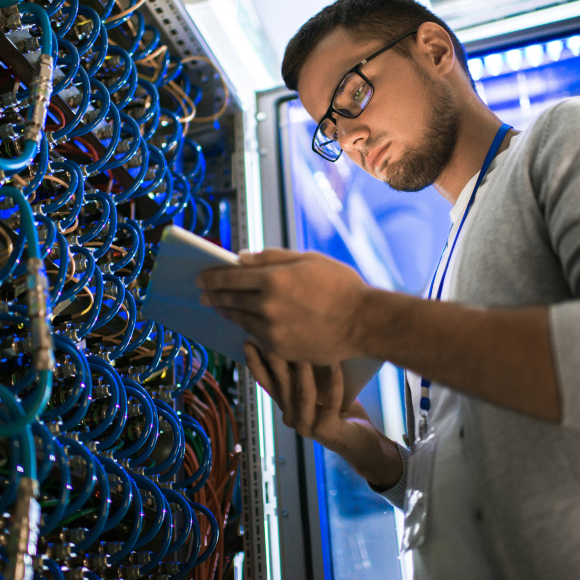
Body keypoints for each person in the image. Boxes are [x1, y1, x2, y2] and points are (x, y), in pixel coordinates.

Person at [196, 0, 580, 577]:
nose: (349, 137)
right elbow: (482, 473)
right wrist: (373, 455)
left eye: (352, 96)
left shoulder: (558, 137)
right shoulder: (442, 270)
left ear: (434, 50)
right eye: (329, 128)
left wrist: (362, 318)